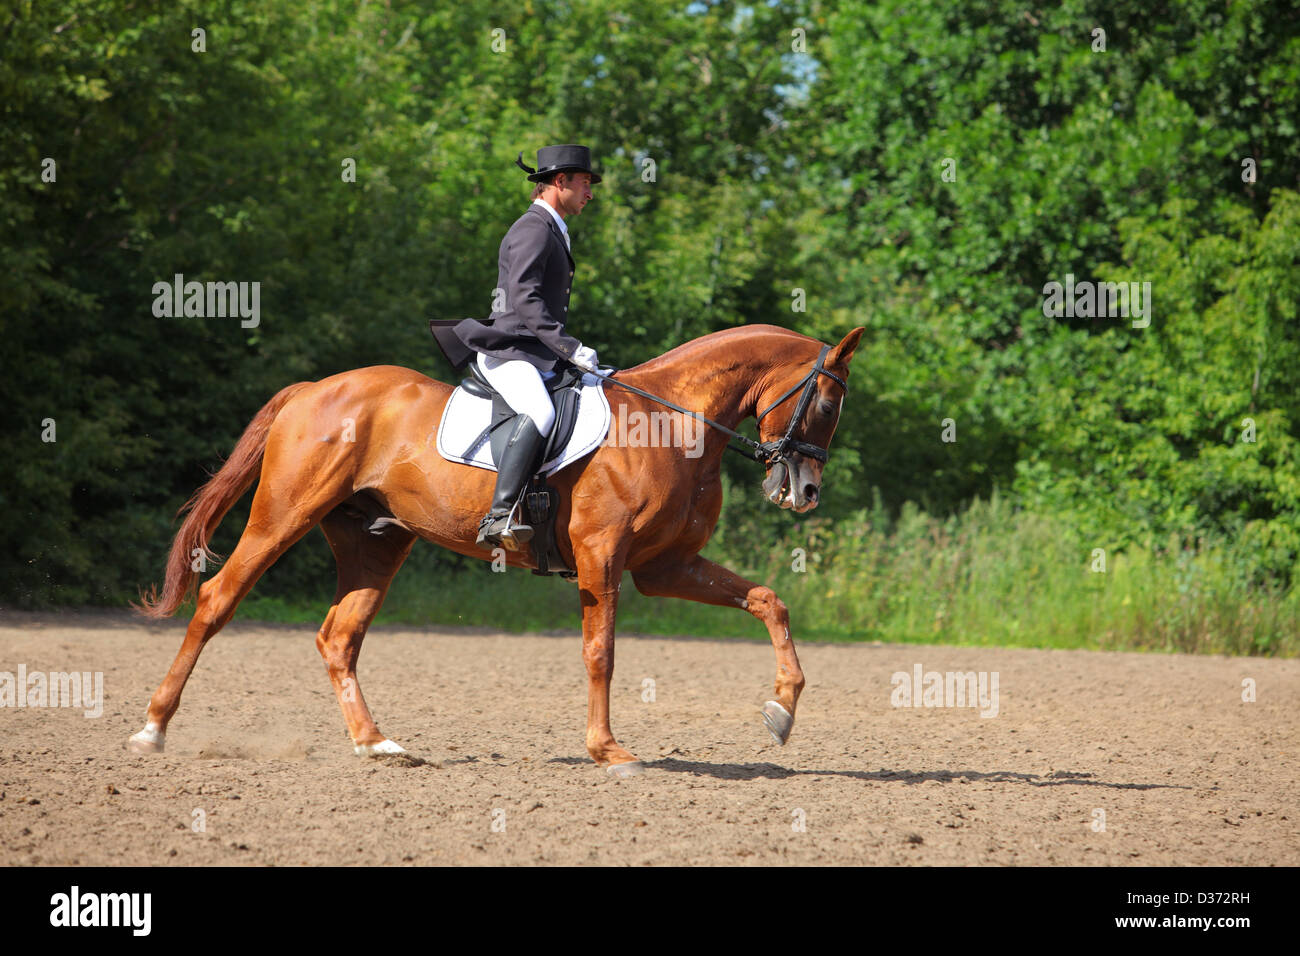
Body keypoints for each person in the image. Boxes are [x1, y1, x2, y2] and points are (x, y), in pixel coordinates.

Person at [448, 144, 602, 551]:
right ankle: (499, 514)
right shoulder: (534, 227)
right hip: (511, 353)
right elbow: (526, 298)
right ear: (559, 182)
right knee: (541, 411)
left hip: (537, 354)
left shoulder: (552, 227)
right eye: (584, 183)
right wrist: (570, 347)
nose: (590, 193)